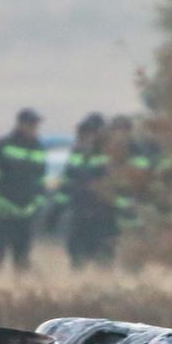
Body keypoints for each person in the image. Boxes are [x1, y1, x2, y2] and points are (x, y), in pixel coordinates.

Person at [0, 108, 49, 271]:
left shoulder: (38, 149)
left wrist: (35, 203)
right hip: (0, 213)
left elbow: (40, 181)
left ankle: (20, 292)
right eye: (31, 124)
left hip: (26, 213)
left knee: (22, 258)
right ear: (20, 124)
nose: (34, 128)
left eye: (36, 124)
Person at [62, 113, 117, 267]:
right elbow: (68, 180)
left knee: (104, 256)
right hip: (79, 210)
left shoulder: (110, 153)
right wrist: (58, 208)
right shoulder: (77, 153)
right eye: (84, 132)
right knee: (76, 254)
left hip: (103, 214)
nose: (88, 137)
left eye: (91, 132)